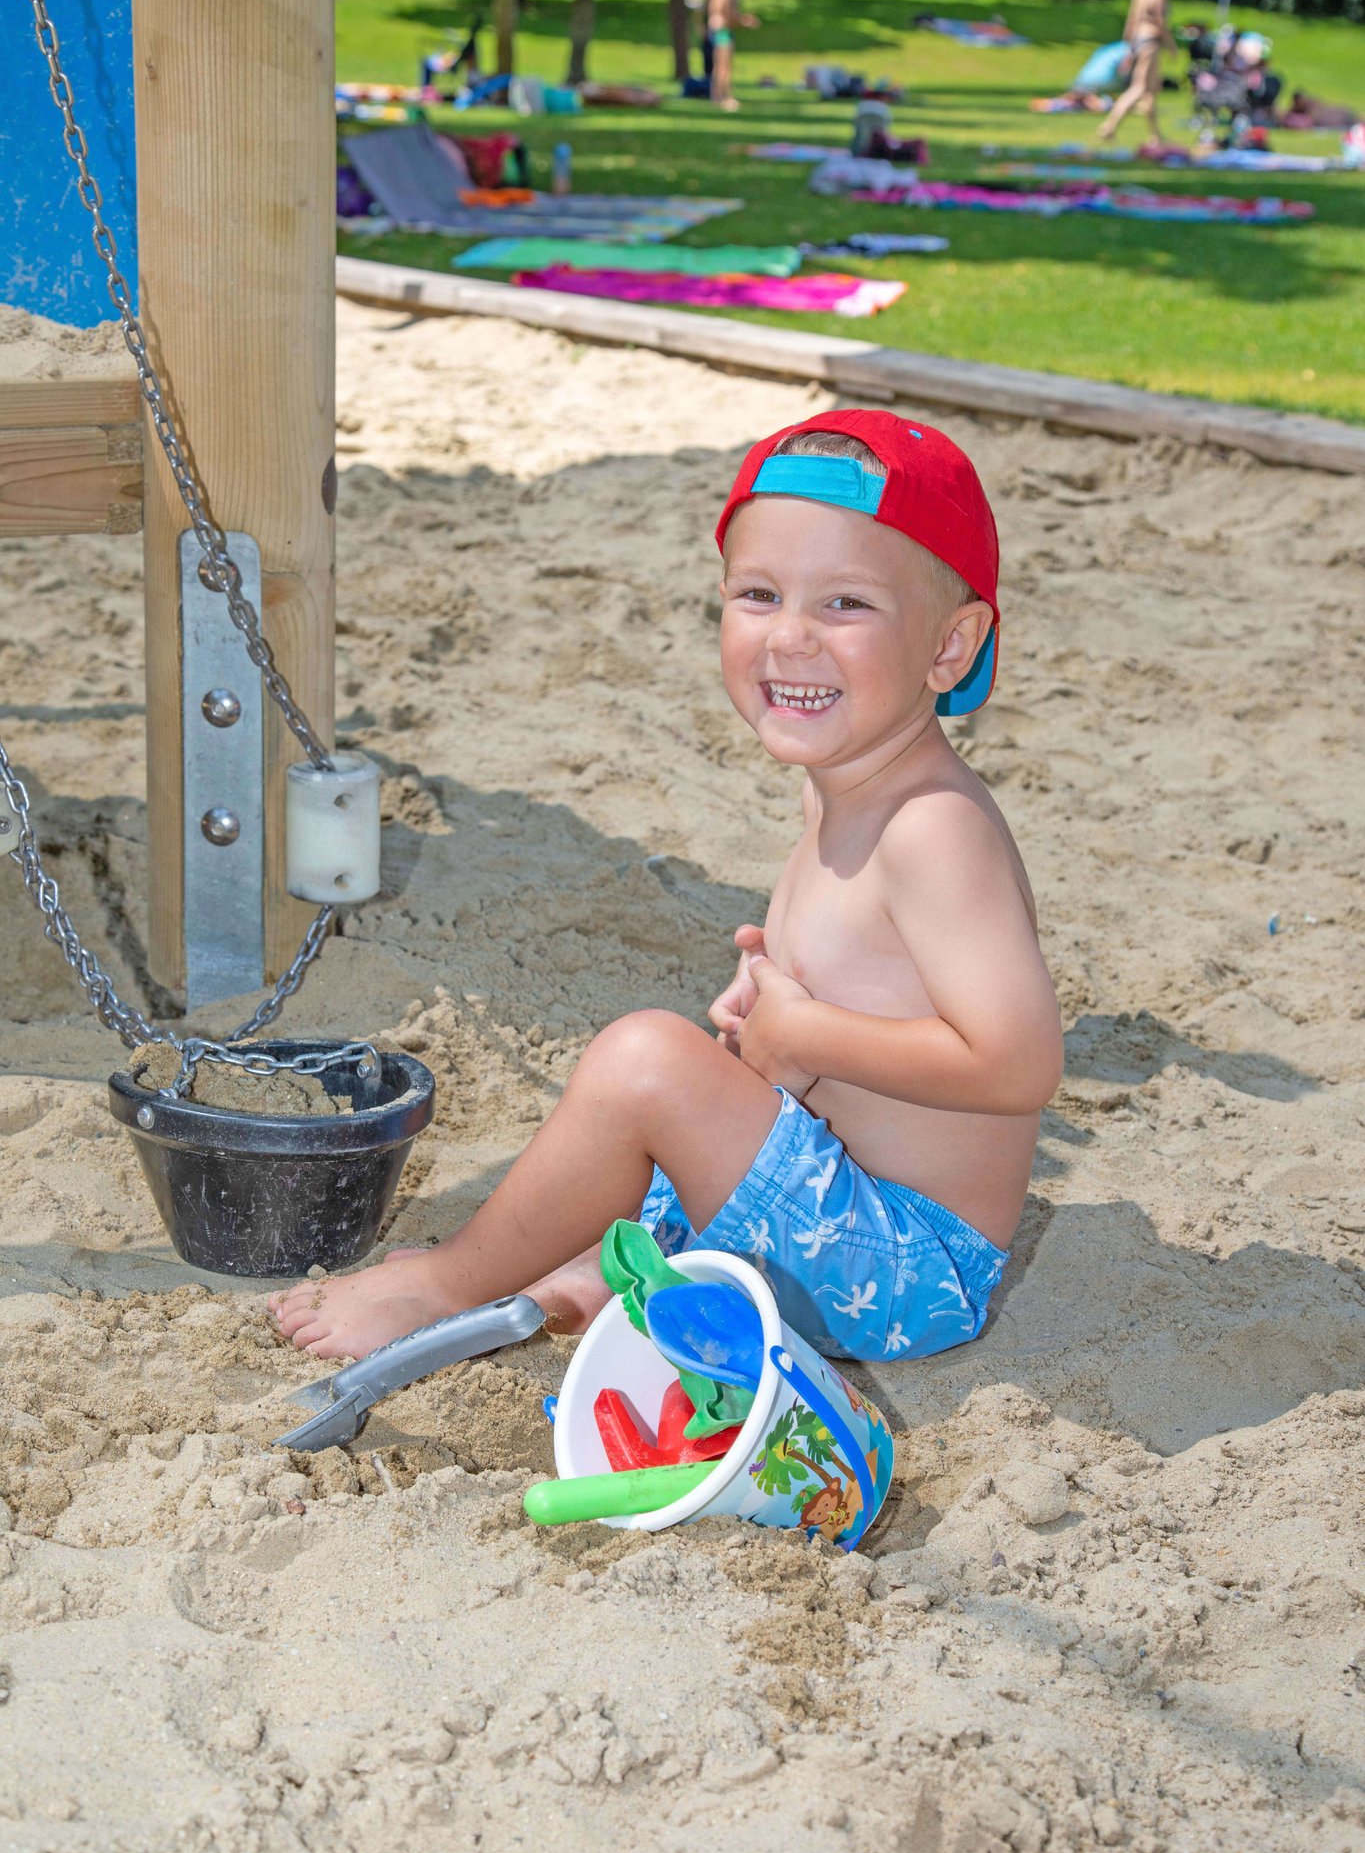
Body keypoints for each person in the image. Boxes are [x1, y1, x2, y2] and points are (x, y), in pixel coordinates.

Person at [270, 410, 1063, 1366]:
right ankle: (582, 1280)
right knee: (662, 1088)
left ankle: (441, 1283)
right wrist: (776, 1003)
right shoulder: (851, 790)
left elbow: (1016, 1066)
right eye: (759, 594)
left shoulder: (933, 827)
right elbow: (879, 990)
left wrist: (804, 1034)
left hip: (901, 1267)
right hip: (844, 1218)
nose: (792, 638)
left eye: (847, 604)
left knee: (644, 1062)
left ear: (948, 647)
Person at [1096, 0, 1176, 144]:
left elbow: (1132, 22)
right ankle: (1109, 126)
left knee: (1150, 90)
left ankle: (1155, 135)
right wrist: (1171, 45)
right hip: (1151, 42)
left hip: (1138, 41)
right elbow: (1160, 21)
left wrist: (1129, 49)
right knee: (1139, 88)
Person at [708, 0, 757, 113]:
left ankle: (717, 97)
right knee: (725, 66)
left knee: (719, 66)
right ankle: (725, 97)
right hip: (723, 31)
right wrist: (745, 21)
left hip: (718, 30)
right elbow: (730, 15)